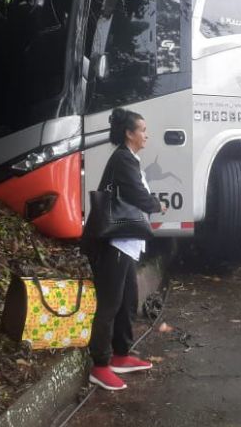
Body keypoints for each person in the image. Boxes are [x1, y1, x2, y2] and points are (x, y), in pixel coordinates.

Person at [87, 108, 163, 391]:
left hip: (127, 243)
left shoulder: (129, 158)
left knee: (128, 300)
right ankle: (100, 365)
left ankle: (121, 354)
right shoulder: (122, 158)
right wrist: (157, 205)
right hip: (115, 243)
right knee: (109, 304)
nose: (146, 135)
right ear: (129, 133)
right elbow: (137, 194)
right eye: (142, 130)